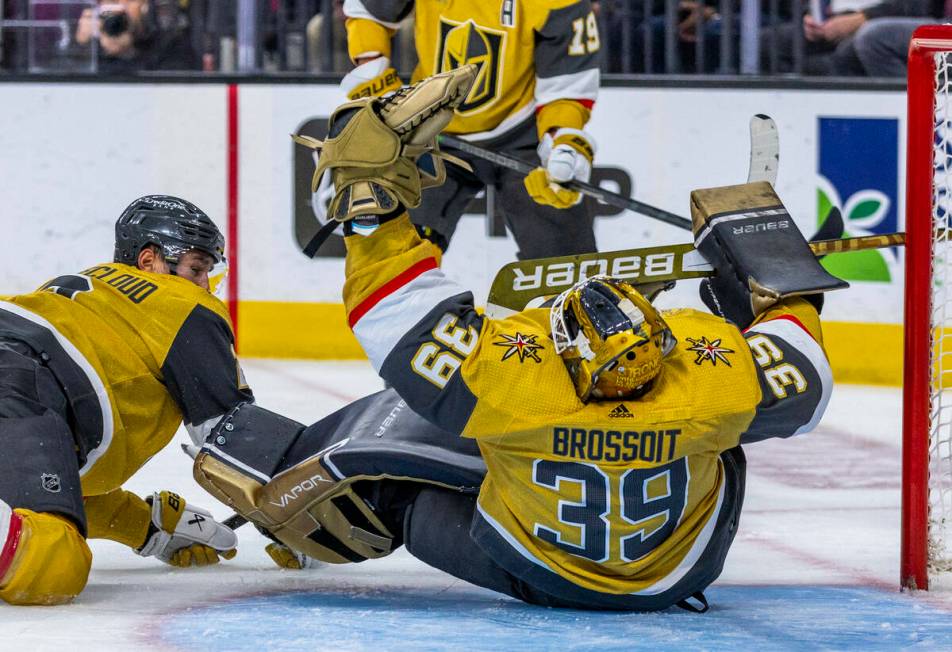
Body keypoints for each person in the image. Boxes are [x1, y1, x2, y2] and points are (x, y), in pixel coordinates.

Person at [192, 68, 843, 611]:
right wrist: (775, 279)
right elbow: (804, 367)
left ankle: (319, 533)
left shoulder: (511, 388)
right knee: (733, 435)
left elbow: (395, 316)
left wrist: (370, 213)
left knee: (407, 491)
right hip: (677, 574)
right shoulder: (714, 380)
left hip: (541, 571)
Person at [0, 195, 251, 606]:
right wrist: (295, 514)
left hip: (18, 366)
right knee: (49, 562)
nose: (205, 285)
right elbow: (233, 434)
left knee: (36, 529)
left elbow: (23, 478)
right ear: (150, 261)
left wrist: (145, 526)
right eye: (196, 268)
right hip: (20, 373)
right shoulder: (181, 303)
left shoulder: (87, 291)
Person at [338, 0, 601, 259]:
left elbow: (566, 85)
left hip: (523, 136)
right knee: (390, 251)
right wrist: (371, 71)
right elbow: (369, 11)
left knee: (565, 264)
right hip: (428, 132)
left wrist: (561, 138)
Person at [74, 0, 197, 74]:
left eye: (130, 0)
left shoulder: (171, 44)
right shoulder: (90, 43)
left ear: (146, 7)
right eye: (112, 2)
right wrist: (84, 47)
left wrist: (129, 53)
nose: (121, 8)